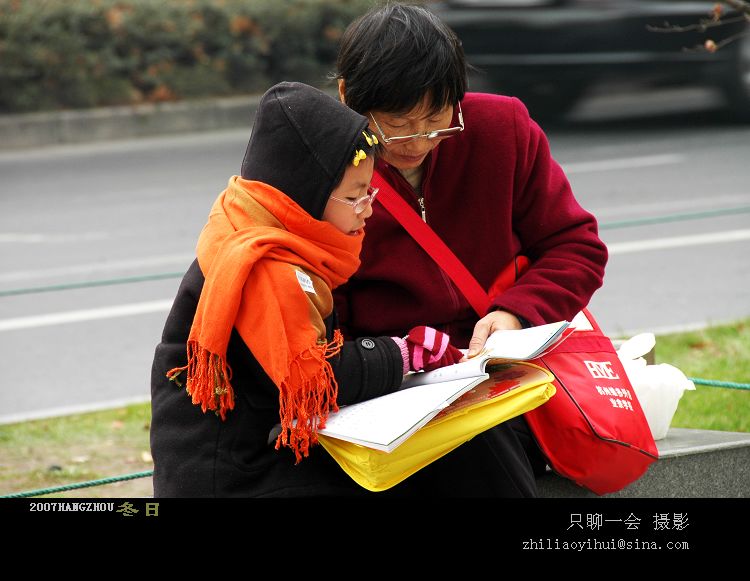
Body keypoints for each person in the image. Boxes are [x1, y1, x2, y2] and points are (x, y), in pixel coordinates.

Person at [332, 3, 609, 495]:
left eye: (437, 119)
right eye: (397, 123)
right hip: (390, 388)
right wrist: (389, 362)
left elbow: (575, 245)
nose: (418, 141)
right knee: (469, 436)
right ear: (348, 98)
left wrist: (516, 315)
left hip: (510, 372)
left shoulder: (502, 128)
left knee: (483, 426)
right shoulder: (322, 165)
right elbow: (320, 306)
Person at [149, 81, 463, 498]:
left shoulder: (253, 220)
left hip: (241, 450)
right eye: (355, 196)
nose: (368, 207)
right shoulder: (268, 268)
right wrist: (401, 353)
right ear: (306, 198)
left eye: (370, 192)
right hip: (229, 474)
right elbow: (311, 379)